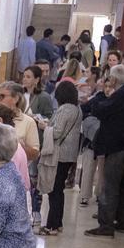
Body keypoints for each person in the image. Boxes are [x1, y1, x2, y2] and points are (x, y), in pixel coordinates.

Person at [83, 64, 124, 237]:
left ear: (114, 79)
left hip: (118, 148)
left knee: (109, 186)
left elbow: (101, 110)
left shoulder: (121, 95)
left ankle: (106, 225)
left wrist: (100, 96)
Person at [40, 81, 83, 235]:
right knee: (59, 189)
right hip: (70, 154)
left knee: (54, 189)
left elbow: (57, 132)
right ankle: (57, 223)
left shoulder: (64, 109)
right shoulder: (77, 109)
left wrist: (44, 126)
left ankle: (51, 225)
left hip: (60, 154)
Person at [22, 67, 54, 227]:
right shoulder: (20, 94)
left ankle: (36, 210)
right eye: (24, 76)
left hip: (35, 141)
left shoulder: (43, 97)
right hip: (21, 142)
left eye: (28, 77)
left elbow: (49, 117)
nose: (25, 79)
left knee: (34, 178)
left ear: (36, 79)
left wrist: (34, 118)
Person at [0, 81, 40, 163]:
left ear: (15, 99)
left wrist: (18, 146)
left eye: (1, 96)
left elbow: (35, 154)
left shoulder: (28, 122)